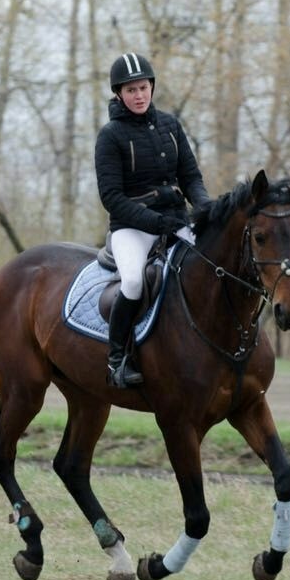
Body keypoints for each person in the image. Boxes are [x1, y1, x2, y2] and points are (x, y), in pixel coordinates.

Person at [94, 52, 211, 388]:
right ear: (119, 94)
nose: (139, 95)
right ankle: (117, 360)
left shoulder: (170, 125)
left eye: (143, 87)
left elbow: (191, 177)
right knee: (132, 282)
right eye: (131, 90)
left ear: (152, 87)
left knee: (213, 265)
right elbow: (111, 197)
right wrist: (155, 223)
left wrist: (205, 209)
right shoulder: (111, 135)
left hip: (176, 221)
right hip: (131, 228)